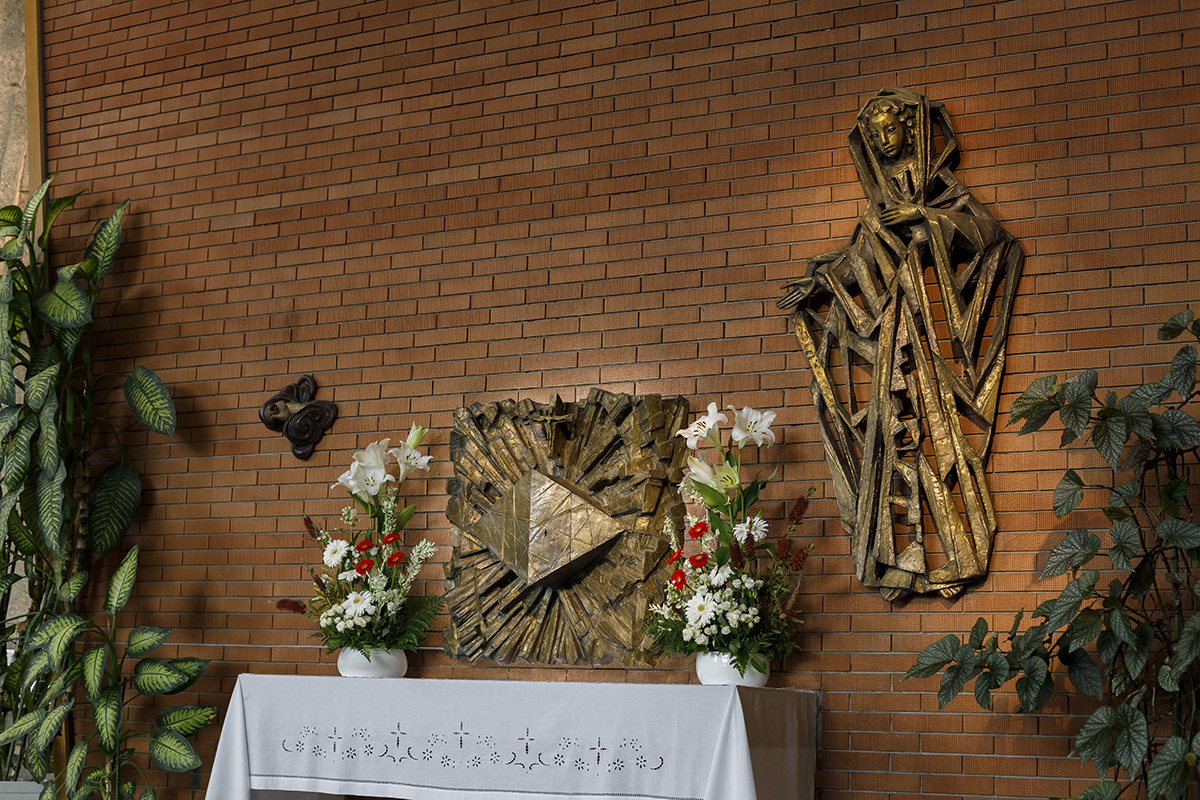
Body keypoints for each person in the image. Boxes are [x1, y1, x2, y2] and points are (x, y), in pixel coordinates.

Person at [779, 88, 1023, 600]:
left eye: (890, 128)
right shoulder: (878, 211)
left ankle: (959, 553)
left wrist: (924, 217)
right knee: (891, 442)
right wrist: (818, 283)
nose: (884, 140)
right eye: (875, 135)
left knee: (939, 438)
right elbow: (858, 262)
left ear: (910, 130)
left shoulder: (939, 189)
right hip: (893, 335)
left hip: (929, 334)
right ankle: (898, 562)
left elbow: (991, 236)